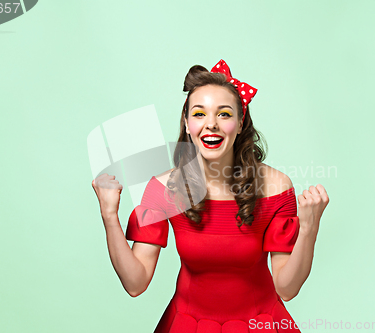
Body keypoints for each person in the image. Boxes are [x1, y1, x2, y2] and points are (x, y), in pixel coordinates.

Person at [92, 59, 329, 332]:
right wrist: (110, 217)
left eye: (224, 114)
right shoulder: (164, 187)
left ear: (240, 123)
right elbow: (135, 284)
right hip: (188, 325)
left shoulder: (276, 187)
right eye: (199, 114)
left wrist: (309, 228)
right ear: (187, 122)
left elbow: (286, 288)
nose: (211, 124)